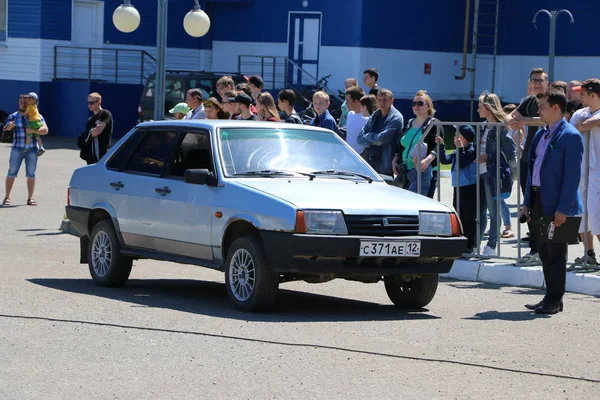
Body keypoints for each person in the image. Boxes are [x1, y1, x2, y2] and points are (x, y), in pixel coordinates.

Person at [520, 89, 584, 314]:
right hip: (538, 200)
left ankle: (555, 299)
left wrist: (563, 208)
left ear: (556, 107)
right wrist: (527, 202)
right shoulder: (540, 134)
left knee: (556, 252)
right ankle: (550, 296)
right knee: (544, 250)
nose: (539, 111)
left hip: (558, 204)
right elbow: (531, 171)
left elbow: (572, 177)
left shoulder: (571, 136)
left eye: (543, 106)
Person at [507, 67, 548, 259]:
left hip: (546, 161)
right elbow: (511, 116)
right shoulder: (529, 101)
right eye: (534, 80)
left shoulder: (552, 99)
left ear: (546, 82)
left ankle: (548, 251)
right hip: (527, 160)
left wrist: (524, 120)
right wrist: (513, 121)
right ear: (529, 83)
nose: (537, 83)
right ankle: (535, 249)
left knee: (545, 206)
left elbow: (546, 119)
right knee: (529, 205)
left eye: (540, 80)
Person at [477, 91, 517, 256]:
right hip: (481, 173)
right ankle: (476, 244)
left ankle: (492, 245)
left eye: (480, 106)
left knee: (494, 212)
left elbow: (510, 151)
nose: (478, 109)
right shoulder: (483, 127)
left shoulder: (501, 127)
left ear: (488, 108)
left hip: (494, 174)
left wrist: (489, 157)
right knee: (481, 211)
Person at [436, 126, 478, 253]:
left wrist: (460, 148)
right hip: (458, 186)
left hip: (469, 187)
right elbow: (445, 160)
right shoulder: (457, 150)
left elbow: (462, 162)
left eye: (457, 134)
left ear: (463, 138)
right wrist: (441, 146)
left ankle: (470, 244)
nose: (454, 137)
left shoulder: (471, 150)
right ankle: (463, 241)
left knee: (469, 215)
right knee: (459, 212)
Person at [571, 79, 600, 265]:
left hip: (598, 173)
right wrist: (585, 124)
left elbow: (586, 124)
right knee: (581, 215)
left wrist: (585, 124)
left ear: (593, 95)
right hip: (582, 171)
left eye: (583, 92)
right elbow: (574, 127)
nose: (579, 96)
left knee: (597, 217)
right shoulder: (580, 113)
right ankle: (588, 254)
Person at [2, 94, 49, 206]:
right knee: (12, 172)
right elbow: (5, 128)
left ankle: (30, 198)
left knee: (31, 174)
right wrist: (9, 127)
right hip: (17, 148)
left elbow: (45, 130)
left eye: (25, 102)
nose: (23, 103)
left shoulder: (36, 115)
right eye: (21, 102)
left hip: (32, 149)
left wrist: (33, 130)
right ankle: (7, 197)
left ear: (29, 102)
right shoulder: (14, 116)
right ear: (19, 103)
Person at [393, 90, 441, 196]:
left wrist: (427, 161)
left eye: (420, 103)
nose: (416, 106)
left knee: (420, 203)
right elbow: (401, 143)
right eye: (414, 103)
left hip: (423, 171)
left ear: (428, 106)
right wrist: (395, 158)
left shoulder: (434, 124)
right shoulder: (409, 123)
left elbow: (438, 146)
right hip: (405, 170)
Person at [357, 89, 403, 176]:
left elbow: (381, 140)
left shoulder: (396, 118)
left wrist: (368, 137)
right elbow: (359, 138)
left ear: (392, 100)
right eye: (379, 99)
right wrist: (373, 139)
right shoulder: (375, 115)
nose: (382, 103)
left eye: (385, 100)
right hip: (369, 164)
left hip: (385, 167)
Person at [81, 92, 114, 165]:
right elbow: (86, 137)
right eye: (88, 102)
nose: (89, 105)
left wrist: (89, 133)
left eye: (92, 102)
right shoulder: (90, 120)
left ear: (99, 102)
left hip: (102, 155)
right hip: (91, 157)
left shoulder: (105, 114)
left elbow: (97, 131)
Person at [344, 86, 368, 153]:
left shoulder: (367, 119)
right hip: (347, 156)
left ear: (356, 101)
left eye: (348, 101)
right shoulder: (350, 114)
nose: (346, 103)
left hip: (359, 159)